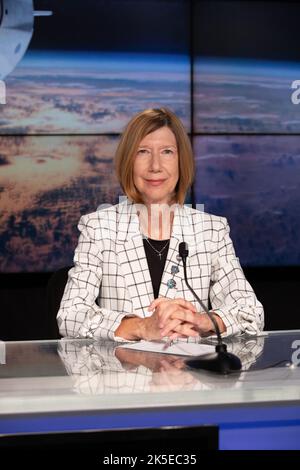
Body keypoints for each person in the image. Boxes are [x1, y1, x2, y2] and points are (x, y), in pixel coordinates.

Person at [57, 107, 264, 342]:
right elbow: (71, 314)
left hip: (190, 373)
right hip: (122, 375)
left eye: (167, 152)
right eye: (142, 152)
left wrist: (203, 321)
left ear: (180, 161)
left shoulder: (211, 230)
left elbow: (250, 312)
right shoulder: (98, 226)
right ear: (128, 161)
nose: (155, 165)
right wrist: (141, 327)